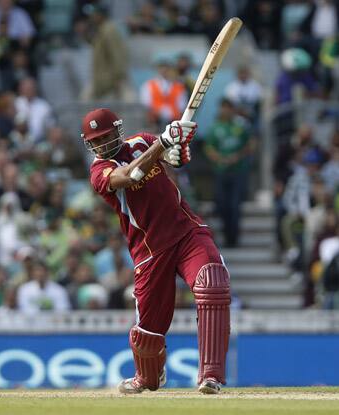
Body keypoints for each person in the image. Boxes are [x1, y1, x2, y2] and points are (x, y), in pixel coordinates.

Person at [83, 108, 230, 394]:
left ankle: (211, 375)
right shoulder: (99, 172)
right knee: (148, 336)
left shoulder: (141, 141)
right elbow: (129, 175)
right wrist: (163, 143)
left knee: (213, 282)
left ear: (118, 130)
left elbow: (175, 158)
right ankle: (147, 376)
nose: (102, 144)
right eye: (96, 141)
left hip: (187, 232)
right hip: (150, 251)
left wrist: (176, 148)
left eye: (106, 136)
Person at [204, 98, 255, 247]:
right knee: (222, 204)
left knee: (235, 205)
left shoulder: (240, 126)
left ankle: (234, 238)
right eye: (223, 108)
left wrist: (237, 156)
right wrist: (220, 158)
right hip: (221, 171)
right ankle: (226, 235)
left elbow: (250, 143)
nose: (225, 111)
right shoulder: (215, 127)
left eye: (228, 108)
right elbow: (209, 148)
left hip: (238, 171)